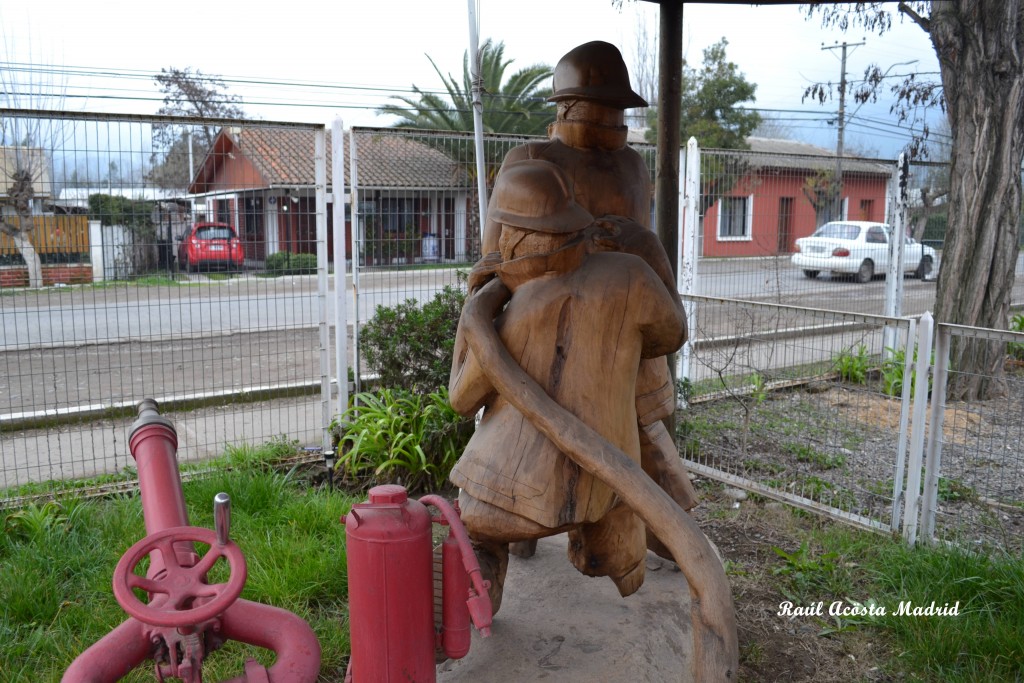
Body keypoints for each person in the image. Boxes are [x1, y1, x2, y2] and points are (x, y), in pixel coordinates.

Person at [478, 41, 697, 563]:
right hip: (541, 324)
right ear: (567, 108)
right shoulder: (530, 160)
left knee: (644, 429)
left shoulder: (632, 167)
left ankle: (674, 533)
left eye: (619, 110)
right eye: (603, 108)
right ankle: (498, 545)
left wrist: (636, 245)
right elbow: (495, 255)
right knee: (513, 439)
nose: (612, 121)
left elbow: (648, 253)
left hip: (620, 323)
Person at [450, 159, 687, 612]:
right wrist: (650, 252)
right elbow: (671, 336)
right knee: (618, 517)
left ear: (512, 241)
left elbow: (461, 399)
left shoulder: (510, 314)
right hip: (611, 485)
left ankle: (485, 578)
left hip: (510, 496)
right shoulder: (631, 276)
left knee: (477, 527)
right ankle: (624, 567)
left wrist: (473, 309)